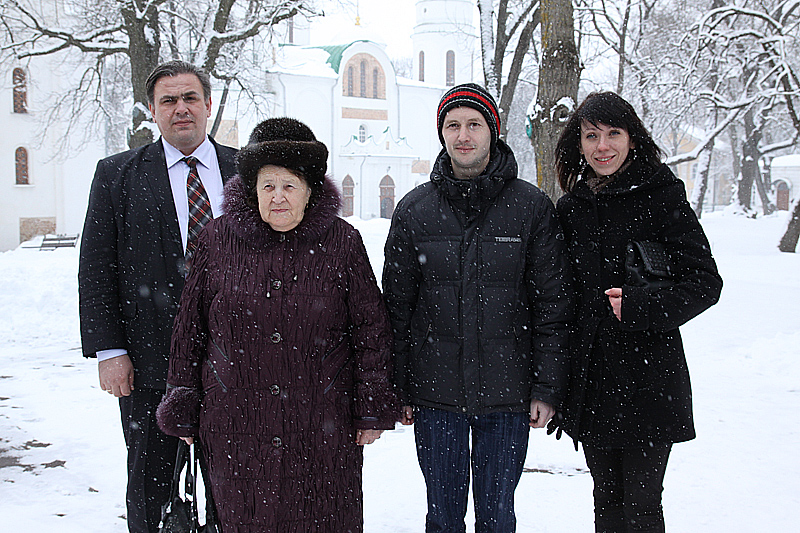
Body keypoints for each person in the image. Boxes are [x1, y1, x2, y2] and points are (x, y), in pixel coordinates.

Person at [155, 117, 399, 532]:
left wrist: (371, 404)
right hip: (234, 424)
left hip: (322, 425)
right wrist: (183, 397)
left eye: (289, 185)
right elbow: (189, 328)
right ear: (252, 190)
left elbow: (370, 329)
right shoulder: (217, 239)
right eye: (267, 185)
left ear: (310, 190)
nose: (278, 196)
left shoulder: (342, 242)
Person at [383, 83, 573, 532]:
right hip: (436, 397)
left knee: (497, 516)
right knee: (442, 517)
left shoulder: (531, 208)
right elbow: (396, 309)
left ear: (493, 131)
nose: (463, 135)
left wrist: (546, 387)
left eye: (474, 124)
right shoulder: (414, 210)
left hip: (508, 395)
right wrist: (401, 387)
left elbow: (553, 305)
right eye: (453, 125)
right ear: (442, 133)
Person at [78, 60, 238, 533]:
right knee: (152, 485)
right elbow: (97, 269)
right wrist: (110, 351)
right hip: (151, 362)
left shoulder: (248, 171)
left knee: (239, 487)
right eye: (169, 100)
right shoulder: (118, 175)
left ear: (208, 104)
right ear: (153, 110)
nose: (181, 108)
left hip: (237, 361)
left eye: (190, 98)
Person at [553, 91, 723, 532]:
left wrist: (641, 306)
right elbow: (559, 295)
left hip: (649, 380)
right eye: (591, 135)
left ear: (632, 138)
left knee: (643, 507)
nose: (602, 146)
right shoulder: (571, 208)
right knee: (606, 500)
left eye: (613, 133)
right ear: (578, 143)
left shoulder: (662, 196)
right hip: (592, 380)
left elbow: (706, 283)